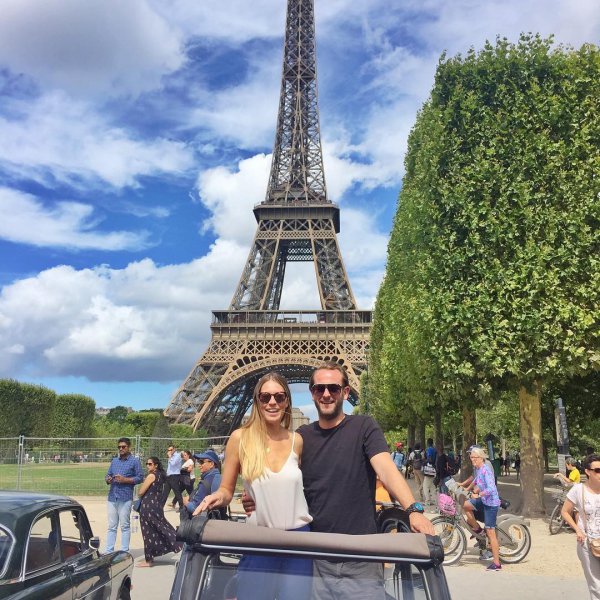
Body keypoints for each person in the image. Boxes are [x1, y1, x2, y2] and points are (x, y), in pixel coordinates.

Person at [242, 362, 433, 599]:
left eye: (333, 388)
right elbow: (279, 476)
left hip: (360, 557)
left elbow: (385, 468)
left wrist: (413, 509)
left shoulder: (364, 427)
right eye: (319, 388)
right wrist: (253, 495)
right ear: (312, 393)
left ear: (345, 391)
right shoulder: (301, 438)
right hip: (316, 558)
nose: (326, 394)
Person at [197, 372, 313, 600]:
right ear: (257, 401)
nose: (272, 402)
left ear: (287, 401)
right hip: (259, 538)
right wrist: (217, 497)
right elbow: (227, 489)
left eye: (279, 397)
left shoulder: (297, 441)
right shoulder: (240, 438)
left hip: (298, 539)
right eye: (265, 397)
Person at [561, 453, 600, 599]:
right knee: (596, 586)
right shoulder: (578, 490)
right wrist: (577, 530)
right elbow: (565, 512)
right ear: (588, 472)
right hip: (588, 543)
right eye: (597, 470)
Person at [136, 456, 182, 567]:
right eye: (147, 463)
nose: (148, 466)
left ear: (156, 465)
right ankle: (178, 541)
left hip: (148, 506)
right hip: (156, 505)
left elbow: (140, 492)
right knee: (161, 526)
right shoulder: (161, 475)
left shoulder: (151, 476)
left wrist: (141, 487)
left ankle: (149, 560)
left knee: (148, 532)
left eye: (150, 464)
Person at [462, 447, 502, 571]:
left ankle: (497, 563)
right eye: (471, 458)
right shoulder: (479, 469)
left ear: (481, 458)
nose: (472, 460)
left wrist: (479, 494)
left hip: (491, 503)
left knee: (491, 533)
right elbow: (477, 480)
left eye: (474, 458)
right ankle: (478, 530)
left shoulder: (485, 470)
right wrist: (467, 489)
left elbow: (491, 489)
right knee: (466, 505)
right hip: (484, 500)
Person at [104, 437, 144, 553]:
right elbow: (107, 475)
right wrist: (108, 479)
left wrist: (125, 480)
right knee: (112, 526)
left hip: (125, 497)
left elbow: (140, 477)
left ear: (129, 447)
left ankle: (124, 552)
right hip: (112, 497)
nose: (121, 449)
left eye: (123, 447)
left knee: (125, 526)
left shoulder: (134, 461)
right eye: (119, 447)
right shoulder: (114, 461)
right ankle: (109, 551)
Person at [183, 449, 222, 515]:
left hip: (206, 521)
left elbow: (195, 508)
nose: (199, 465)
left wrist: (185, 501)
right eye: (198, 462)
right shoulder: (218, 477)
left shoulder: (207, 481)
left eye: (201, 462)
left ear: (211, 464)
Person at [161, 443, 184, 509]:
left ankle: (181, 507)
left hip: (175, 476)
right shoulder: (171, 456)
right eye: (168, 450)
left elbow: (173, 464)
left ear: (174, 449)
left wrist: (170, 456)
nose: (169, 451)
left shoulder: (178, 455)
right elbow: (170, 467)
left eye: (171, 450)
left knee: (177, 492)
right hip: (169, 476)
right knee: (165, 493)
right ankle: (160, 507)